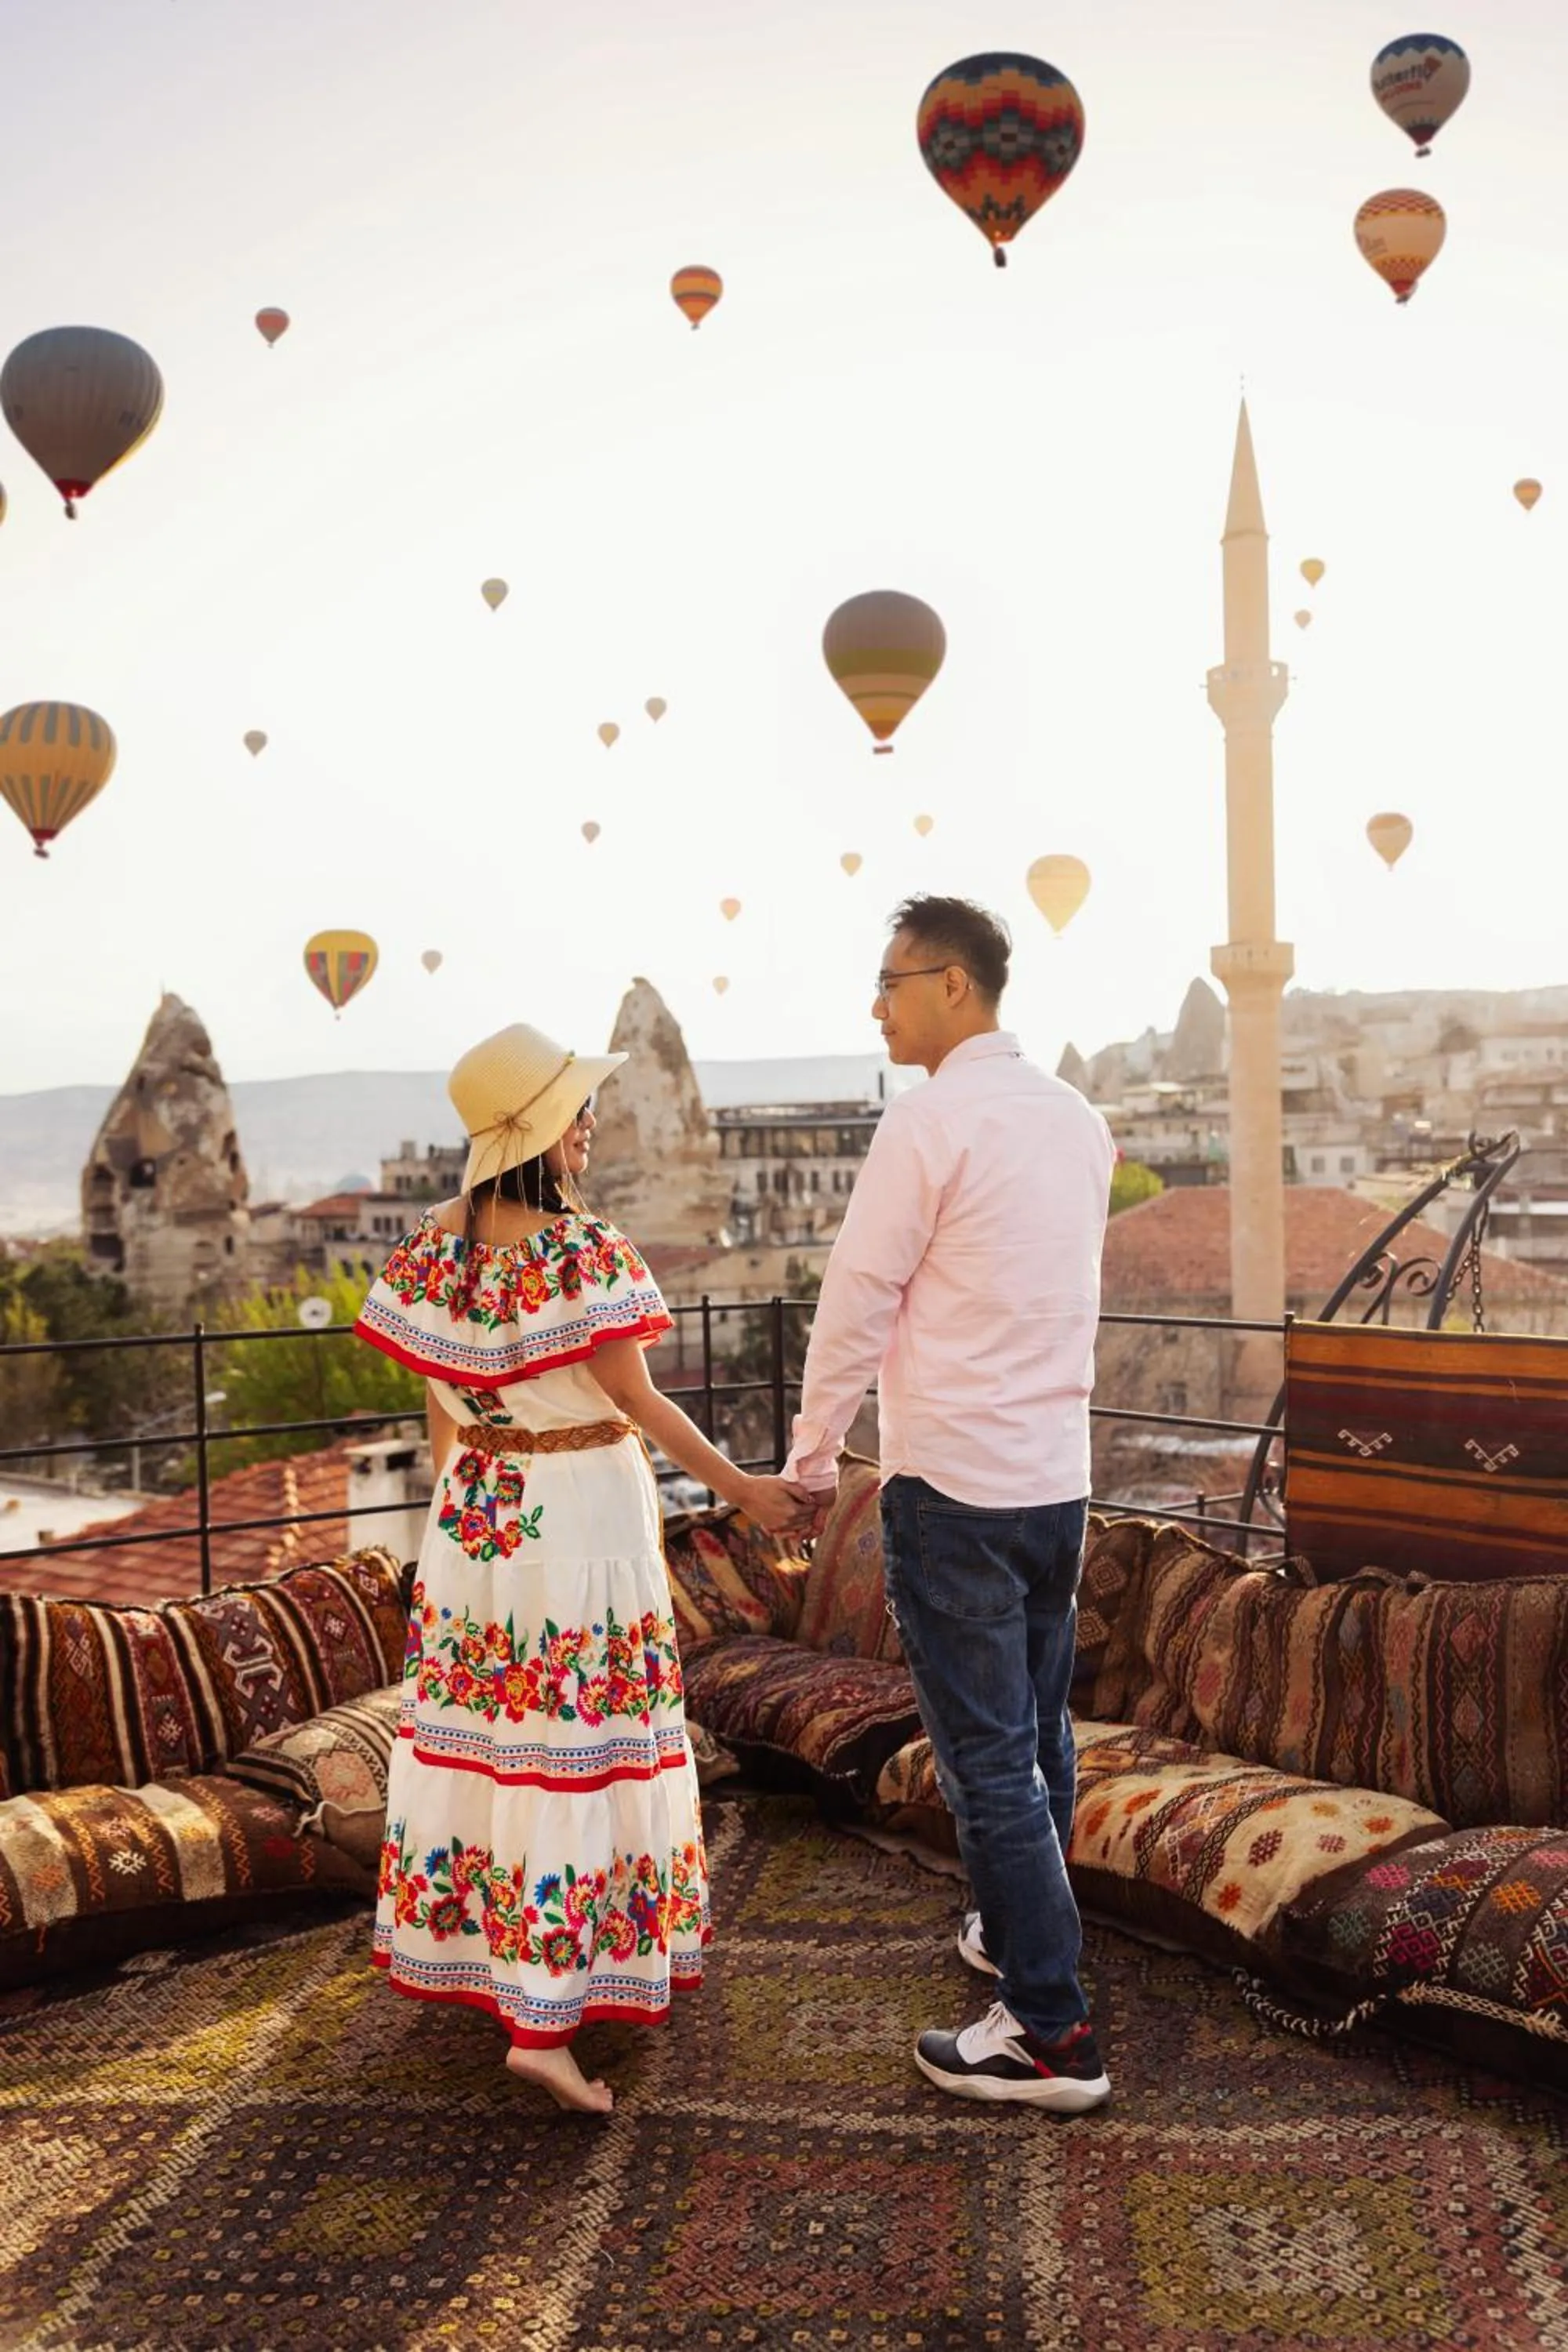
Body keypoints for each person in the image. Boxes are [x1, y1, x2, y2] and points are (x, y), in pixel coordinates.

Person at [356, 1019, 811, 2114]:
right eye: (578, 1110)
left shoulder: (435, 1243)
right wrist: (747, 1491)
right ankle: (549, 2018)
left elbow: (437, 1409)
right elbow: (638, 1399)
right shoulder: (584, 1251)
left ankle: (505, 1965)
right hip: (575, 1515)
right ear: (545, 1130)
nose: (593, 1126)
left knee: (501, 1748)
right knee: (578, 1747)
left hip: (472, 1519)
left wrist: (465, 1510)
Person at [783, 896, 1115, 2113]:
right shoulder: (1079, 1121)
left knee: (988, 1765)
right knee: (1038, 1733)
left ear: (955, 987)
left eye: (890, 981)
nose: (875, 1004)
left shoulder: (928, 1123)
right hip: (1055, 1480)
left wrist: (813, 1458)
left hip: (959, 1485)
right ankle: (1017, 1934)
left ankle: (1047, 2029)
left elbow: (857, 1299)